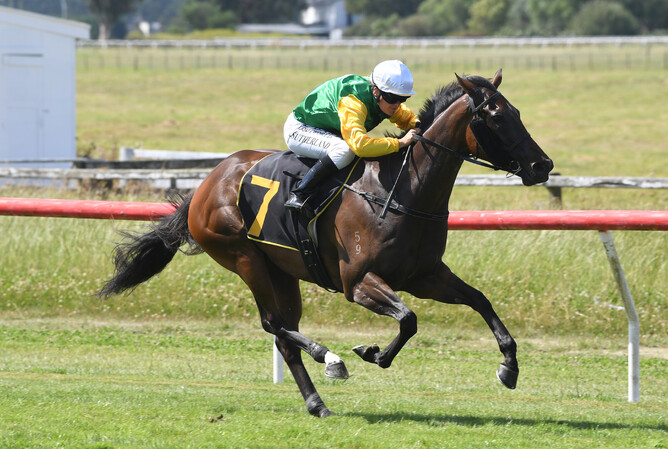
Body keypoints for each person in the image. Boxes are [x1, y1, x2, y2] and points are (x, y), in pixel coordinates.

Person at [283, 59, 421, 214]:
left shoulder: (382, 97)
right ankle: (301, 193)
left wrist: (419, 126)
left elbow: (407, 118)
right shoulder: (353, 101)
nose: (397, 104)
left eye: (402, 99)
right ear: (375, 91)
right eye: (392, 98)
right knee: (345, 150)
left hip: (327, 129)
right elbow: (360, 146)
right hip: (300, 129)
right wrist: (400, 143)